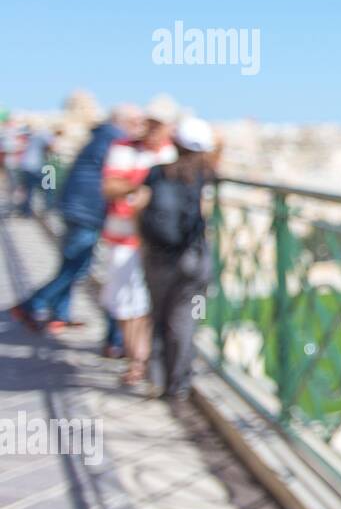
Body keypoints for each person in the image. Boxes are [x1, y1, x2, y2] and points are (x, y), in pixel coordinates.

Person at [9, 105, 145, 339]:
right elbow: (119, 176)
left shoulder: (101, 136)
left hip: (74, 206)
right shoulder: (117, 140)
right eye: (135, 122)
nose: (139, 127)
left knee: (72, 262)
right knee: (76, 266)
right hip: (87, 210)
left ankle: (60, 315)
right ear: (123, 122)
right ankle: (32, 304)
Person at [138, 116, 220, 400]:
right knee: (184, 318)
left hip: (159, 256)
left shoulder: (157, 172)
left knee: (157, 315)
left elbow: (141, 206)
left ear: (174, 143)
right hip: (192, 257)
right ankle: (179, 383)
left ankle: (156, 378)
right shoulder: (204, 173)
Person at [100, 96, 179, 385]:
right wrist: (146, 184)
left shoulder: (173, 154)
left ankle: (143, 360)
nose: (153, 129)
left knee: (148, 304)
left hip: (158, 242)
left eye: (160, 124)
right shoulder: (124, 149)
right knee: (125, 304)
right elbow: (110, 187)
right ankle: (138, 358)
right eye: (151, 122)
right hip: (124, 238)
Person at [16, 126, 60, 216]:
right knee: (49, 186)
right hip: (34, 167)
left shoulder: (37, 135)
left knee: (29, 190)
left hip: (25, 165)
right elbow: (52, 148)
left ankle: (25, 211)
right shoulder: (47, 135)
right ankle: (48, 208)